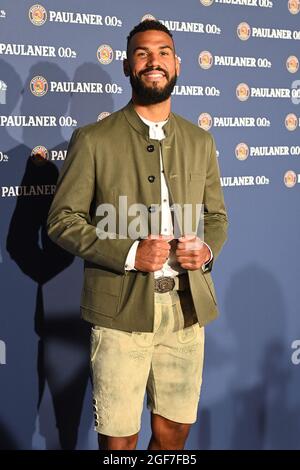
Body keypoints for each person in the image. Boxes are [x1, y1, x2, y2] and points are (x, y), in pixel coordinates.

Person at [47, 20, 228, 450]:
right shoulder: (93, 140)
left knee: (173, 436)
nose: (154, 62)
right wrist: (130, 253)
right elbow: (62, 220)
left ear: (177, 64)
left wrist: (204, 249)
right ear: (128, 66)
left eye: (164, 52)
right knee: (119, 443)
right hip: (120, 313)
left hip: (186, 310)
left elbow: (217, 218)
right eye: (143, 54)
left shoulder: (200, 140)